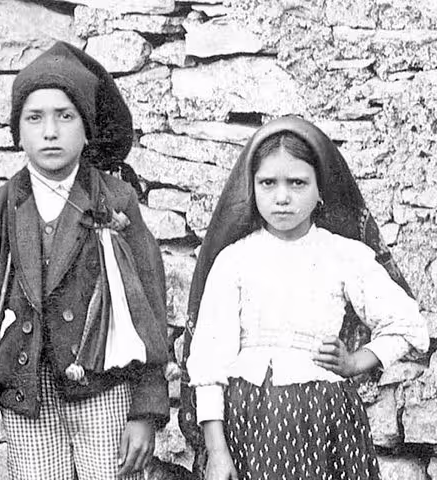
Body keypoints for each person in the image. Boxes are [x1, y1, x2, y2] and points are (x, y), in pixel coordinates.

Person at [0, 41, 171, 480]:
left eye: (65, 116)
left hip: (103, 388)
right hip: (28, 398)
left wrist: (145, 411)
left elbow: (150, 311)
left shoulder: (115, 201)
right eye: (35, 118)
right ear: (18, 132)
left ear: (86, 128)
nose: (50, 131)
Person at [181, 116, 429, 479]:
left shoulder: (344, 255)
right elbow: (208, 365)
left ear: (320, 189)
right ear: (252, 188)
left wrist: (357, 361)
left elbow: (408, 325)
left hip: (327, 421)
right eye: (268, 183)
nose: (282, 197)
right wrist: (218, 452)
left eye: (297, 183)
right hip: (249, 423)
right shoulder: (235, 260)